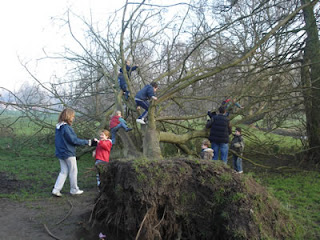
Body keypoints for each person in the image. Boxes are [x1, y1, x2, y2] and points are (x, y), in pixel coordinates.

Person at [52, 108, 94, 197]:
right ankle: (74, 189)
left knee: (63, 171)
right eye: (73, 116)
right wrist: (89, 142)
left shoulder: (58, 127)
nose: (73, 118)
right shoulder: (66, 128)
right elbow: (74, 140)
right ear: (69, 116)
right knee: (73, 171)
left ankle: (56, 189)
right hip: (68, 152)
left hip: (60, 152)